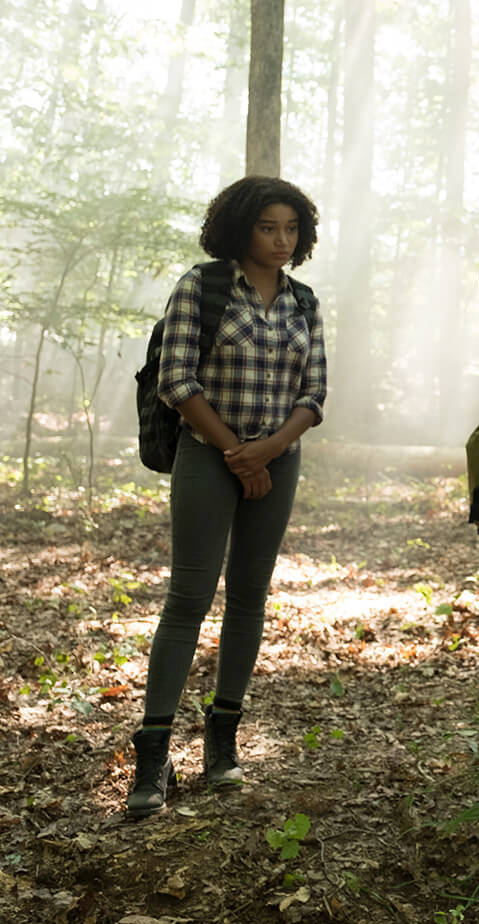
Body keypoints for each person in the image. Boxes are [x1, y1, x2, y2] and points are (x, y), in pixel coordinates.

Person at [127, 176, 328, 819]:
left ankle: (222, 741)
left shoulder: (304, 302)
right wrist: (237, 454)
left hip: (277, 460)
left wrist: (266, 453)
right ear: (241, 228)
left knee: (248, 597)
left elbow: (313, 394)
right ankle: (152, 759)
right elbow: (175, 378)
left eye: (291, 229)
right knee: (189, 597)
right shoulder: (203, 287)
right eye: (268, 227)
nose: (280, 240)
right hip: (205, 457)